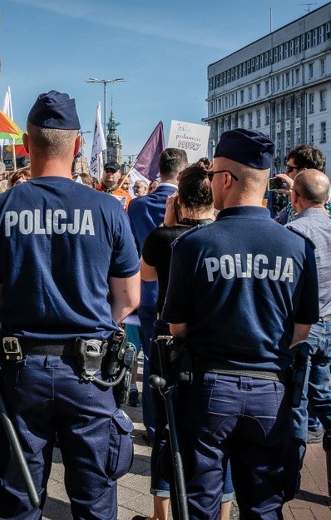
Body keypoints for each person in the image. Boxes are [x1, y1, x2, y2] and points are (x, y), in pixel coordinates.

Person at [0, 90, 141, 519]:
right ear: (78, 146)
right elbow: (128, 299)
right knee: (94, 502)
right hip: (90, 374)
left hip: (21, 370)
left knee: (20, 500)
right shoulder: (107, 208)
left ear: (26, 146)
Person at [163, 128, 318, 519]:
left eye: (214, 175)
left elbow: (176, 328)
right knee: (264, 506)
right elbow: (302, 331)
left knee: (199, 503)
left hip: (209, 390)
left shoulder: (194, 244)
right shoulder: (298, 247)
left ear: (227, 179)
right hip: (272, 391)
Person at [135, 165, 218, 520]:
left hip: (168, 335)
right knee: (213, 432)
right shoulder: (219, 233)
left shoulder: (164, 237)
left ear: (179, 199)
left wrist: (168, 224)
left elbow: (147, 274)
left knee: (169, 425)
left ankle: (161, 512)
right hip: (211, 337)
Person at [284, 169, 331, 458]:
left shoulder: (294, 231)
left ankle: (292, 467)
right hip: (330, 325)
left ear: (295, 197)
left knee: (297, 398)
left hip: (304, 327)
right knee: (321, 392)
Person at [126, 148, 188, 432]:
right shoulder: (190, 204)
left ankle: (154, 427)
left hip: (150, 292)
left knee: (152, 362)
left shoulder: (138, 206)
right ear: (182, 171)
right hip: (185, 292)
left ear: (158, 170)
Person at [274, 144, 331, 224]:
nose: (286, 173)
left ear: (303, 172)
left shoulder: (329, 202)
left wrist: (294, 188)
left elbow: (322, 231)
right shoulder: (298, 196)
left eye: (289, 169)